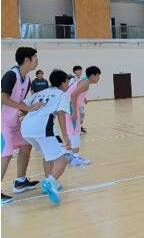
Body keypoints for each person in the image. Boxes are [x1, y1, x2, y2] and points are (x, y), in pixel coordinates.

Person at [21, 69, 71, 204]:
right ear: (62, 83)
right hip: (43, 128)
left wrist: (32, 111)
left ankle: (48, 181)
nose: (68, 85)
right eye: (67, 82)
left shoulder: (40, 92)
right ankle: (50, 182)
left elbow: (22, 104)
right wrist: (65, 136)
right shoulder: (62, 95)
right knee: (63, 158)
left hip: (26, 128)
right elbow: (61, 113)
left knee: (47, 155)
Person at [1, 47, 43, 204]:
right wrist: (28, 108)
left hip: (14, 122)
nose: (37, 60)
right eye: (35, 57)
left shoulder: (27, 80)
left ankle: (20, 182)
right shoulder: (11, 75)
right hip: (2, 122)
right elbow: (3, 99)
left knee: (26, 145)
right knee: (6, 154)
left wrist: (32, 110)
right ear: (27, 60)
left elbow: (19, 102)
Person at [65, 66, 101, 166]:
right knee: (75, 132)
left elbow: (76, 93)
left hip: (70, 106)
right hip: (70, 107)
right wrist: (74, 112)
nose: (99, 78)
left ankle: (70, 156)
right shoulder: (85, 83)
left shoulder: (84, 81)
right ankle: (75, 158)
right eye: (98, 76)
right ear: (93, 76)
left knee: (72, 131)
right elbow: (73, 95)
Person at [69, 66, 87, 133]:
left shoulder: (81, 80)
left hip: (80, 100)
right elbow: (69, 89)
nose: (79, 71)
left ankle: (80, 126)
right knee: (76, 114)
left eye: (80, 70)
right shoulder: (72, 80)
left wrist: (84, 98)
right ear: (75, 71)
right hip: (74, 100)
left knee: (82, 114)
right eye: (78, 70)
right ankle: (76, 129)